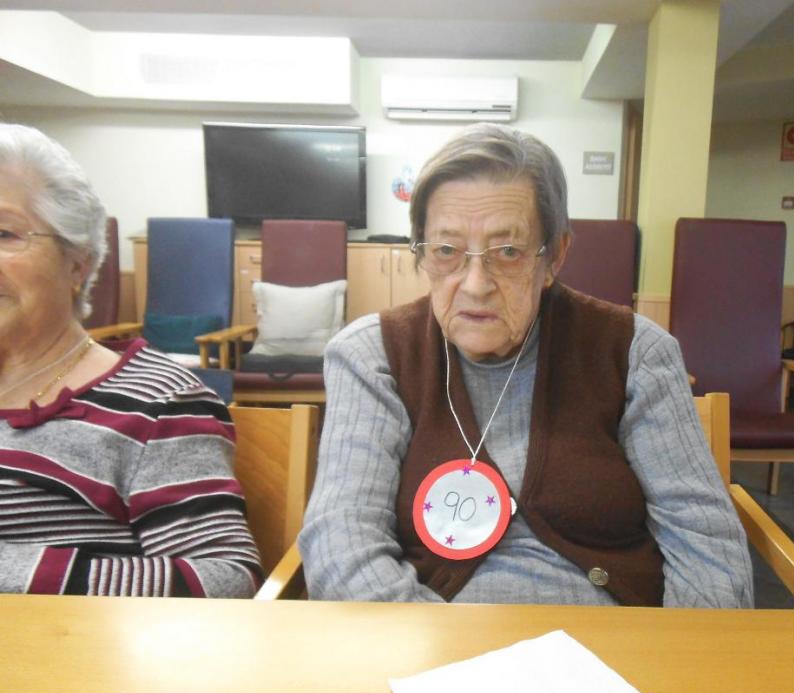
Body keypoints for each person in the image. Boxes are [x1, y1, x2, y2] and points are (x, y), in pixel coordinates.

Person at [300, 123, 752, 608]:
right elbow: (342, 550)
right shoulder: (374, 357)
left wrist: (668, 653)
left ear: (554, 256)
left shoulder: (633, 352)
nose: (475, 284)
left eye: (508, 252)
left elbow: (710, 554)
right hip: (432, 640)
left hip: (614, 642)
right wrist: (447, 649)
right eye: (447, 251)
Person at [0, 123, 261, 597]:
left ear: (77, 263)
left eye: (4, 233)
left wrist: (16, 571)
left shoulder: (158, 404)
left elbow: (223, 581)